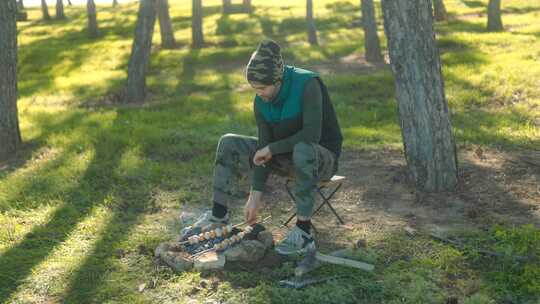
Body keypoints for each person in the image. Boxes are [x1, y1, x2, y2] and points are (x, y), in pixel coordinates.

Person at [183, 39, 343, 256]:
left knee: (303, 148)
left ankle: (303, 231)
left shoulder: (307, 84)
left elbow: (312, 135)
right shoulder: (261, 102)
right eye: (254, 88)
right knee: (229, 142)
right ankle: (218, 216)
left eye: (262, 88)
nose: (259, 93)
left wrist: (272, 149)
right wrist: (254, 196)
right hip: (285, 158)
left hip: (320, 159)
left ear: (277, 79)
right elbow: (263, 148)